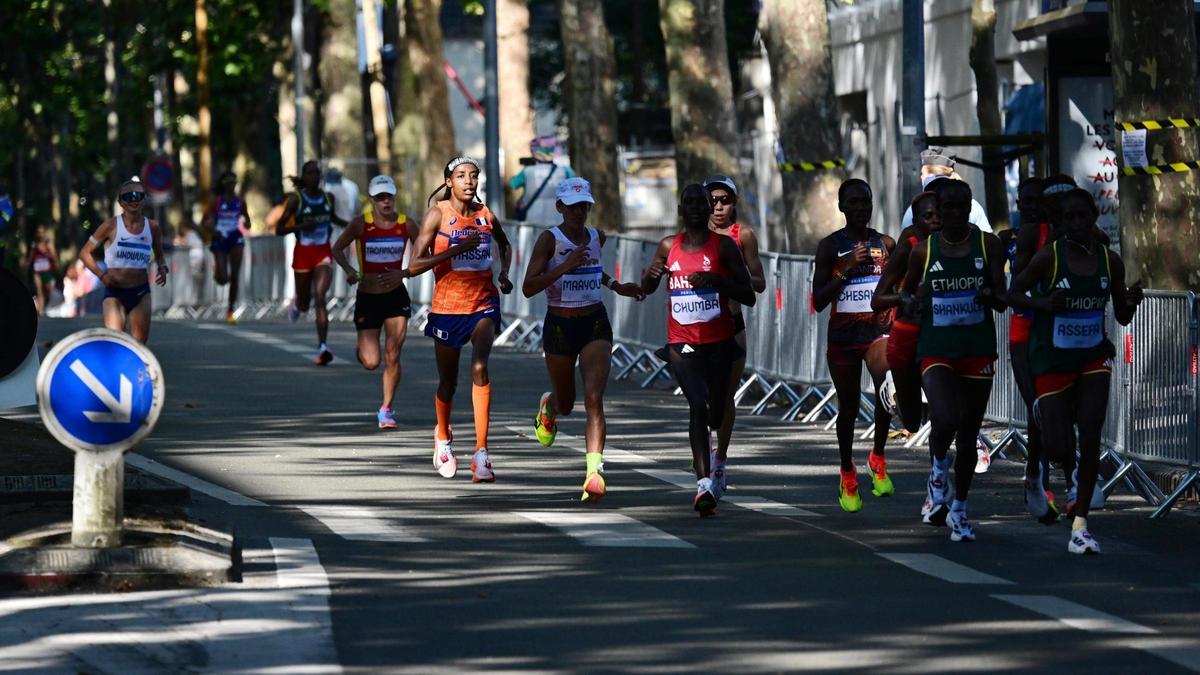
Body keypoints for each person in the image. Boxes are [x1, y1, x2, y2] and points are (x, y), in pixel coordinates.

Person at [1008, 188, 1142, 554]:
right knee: (1056, 446)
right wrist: (1042, 303)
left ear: (1094, 216)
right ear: (1060, 223)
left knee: (1091, 436)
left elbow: (1122, 313)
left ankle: (1080, 524)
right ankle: (1043, 416)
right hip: (1052, 359)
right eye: (1071, 218)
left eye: (1085, 216)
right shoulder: (1047, 258)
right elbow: (1012, 294)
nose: (1079, 223)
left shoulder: (1109, 260)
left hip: (1092, 359)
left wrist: (1130, 301)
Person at [523, 177, 645, 501]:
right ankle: (548, 405)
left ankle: (594, 472)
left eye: (584, 206)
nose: (579, 212)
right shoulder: (550, 240)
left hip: (594, 322)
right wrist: (563, 266)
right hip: (560, 326)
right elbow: (529, 286)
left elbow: (593, 270)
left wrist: (616, 285)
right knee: (566, 404)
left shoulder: (596, 236)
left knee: (593, 397)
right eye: (573, 206)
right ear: (560, 207)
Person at [901, 179, 1007, 541]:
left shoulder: (987, 245)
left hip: (977, 349)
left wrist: (989, 294)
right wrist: (911, 303)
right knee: (945, 417)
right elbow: (904, 293)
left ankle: (959, 509)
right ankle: (936, 473)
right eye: (949, 207)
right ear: (939, 210)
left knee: (969, 435)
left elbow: (1002, 298)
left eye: (963, 206)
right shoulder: (923, 251)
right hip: (937, 349)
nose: (957, 213)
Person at [641, 184, 756, 516]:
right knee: (698, 405)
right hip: (681, 342)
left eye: (700, 203)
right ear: (680, 210)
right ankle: (704, 484)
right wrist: (650, 277)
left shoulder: (723, 247)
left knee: (717, 412)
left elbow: (747, 294)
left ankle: (713, 461)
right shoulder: (668, 247)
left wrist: (715, 281)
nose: (694, 207)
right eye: (688, 202)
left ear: (708, 210)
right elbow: (647, 287)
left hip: (720, 341)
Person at [408, 157, 513, 482]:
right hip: (447, 309)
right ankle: (443, 436)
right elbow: (413, 266)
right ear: (449, 182)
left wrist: (504, 274)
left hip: (483, 304)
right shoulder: (438, 214)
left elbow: (505, 246)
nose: (469, 181)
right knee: (448, 383)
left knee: (480, 366)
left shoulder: (486, 216)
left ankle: (482, 453)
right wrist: (453, 251)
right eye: (461, 176)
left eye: (474, 176)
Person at [813, 178, 897, 513]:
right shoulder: (830, 246)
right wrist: (845, 270)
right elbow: (818, 301)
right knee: (847, 409)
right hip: (844, 338)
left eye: (866, 201)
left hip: (877, 333)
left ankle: (877, 456)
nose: (861, 207)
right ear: (842, 207)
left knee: (887, 390)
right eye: (854, 202)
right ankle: (847, 470)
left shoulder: (885, 243)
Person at [331, 175, 418, 430]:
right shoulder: (360, 224)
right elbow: (337, 248)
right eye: (380, 198)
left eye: (389, 196)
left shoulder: (406, 224)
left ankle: (386, 408)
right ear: (372, 200)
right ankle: (363, 351)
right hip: (367, 298)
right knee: (372, 362)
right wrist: (349, 269)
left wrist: (404, 273)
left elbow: (426, 252)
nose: (386, 202)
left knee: (393, 353)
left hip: (396, 297)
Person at [703, 175, 766, 499]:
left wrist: (736, 272)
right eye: (712, 200)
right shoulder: (692, 238)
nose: (718, 206)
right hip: (696, 328)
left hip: (731, 325)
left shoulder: (744, 236)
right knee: (701, 399)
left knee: (724, 398)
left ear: (734, 203)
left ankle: (719, 462)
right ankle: (704, 463)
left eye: (724, 200)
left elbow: (759, 282)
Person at [872, 189, 942, 434]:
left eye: (939, 214)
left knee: (943, 409)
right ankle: (892, 386)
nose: (935, 220)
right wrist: (905, 298)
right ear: (917, 222)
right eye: (928, 216)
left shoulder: (958, 245)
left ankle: (940, 469)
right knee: (912, 422)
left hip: (939, 336)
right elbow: (877, 299)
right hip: (908, 332)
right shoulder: (908, 247)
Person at [79, 178, 169, 343]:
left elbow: (160, 255)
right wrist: (102, 275)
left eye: (138, 196)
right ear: (120, 202)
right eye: (128, 197)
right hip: (115, 292)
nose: (134, 200)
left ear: (144, 199)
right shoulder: (110, 226)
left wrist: (163, 267)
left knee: (139, 347)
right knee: (116, 343)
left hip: (141, 293)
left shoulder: (153, 227)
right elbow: (84, 253)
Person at [277, 160, 347, 364]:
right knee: (305, 302)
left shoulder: (328, 198)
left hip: (323, 252)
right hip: (303, 253)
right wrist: (299, 227)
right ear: (304, 176)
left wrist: (354, 225)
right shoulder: (295, 200)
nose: (314, 176)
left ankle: (323, 346)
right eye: (310, 173)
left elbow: (333, 218)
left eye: (317, 173)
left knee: (320, 295)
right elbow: (279, 229)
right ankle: (298, 305)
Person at [899, 148, 992, 233]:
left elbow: (986, 241)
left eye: (924, 173)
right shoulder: (915, 209)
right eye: (928, 216)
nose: (936, 220)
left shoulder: (974, 207)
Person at [201, 171, 249, 324]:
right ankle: (219, 274)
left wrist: (247, 223)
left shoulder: (240, 201)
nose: (231, 185)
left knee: (235, 275)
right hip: (220, 237)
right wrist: (212, 231)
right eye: (229, 183)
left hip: (235, 237)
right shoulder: (216, 201)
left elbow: (247, 218)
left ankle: (230, 309)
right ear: (224, 185)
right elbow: (204, 221)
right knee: (223, 279)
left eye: (234, 183)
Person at [510, 136, 575, 223]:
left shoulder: (527, 171)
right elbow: (575, 187)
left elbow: (513, 184)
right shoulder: (565, 170)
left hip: (532, 220)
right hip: (558, 220)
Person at [26, 224, 59, 315]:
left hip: (47, 271)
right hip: (37, 271)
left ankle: (49, 307)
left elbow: (54, 257)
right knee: (39, 291)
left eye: (42, 232)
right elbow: (30, 258)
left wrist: (45, 252)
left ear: (45, 233)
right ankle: (41, 311)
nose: (41, 234)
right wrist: (27, 265)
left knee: (49, 290)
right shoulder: (34, 244)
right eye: (39, 232)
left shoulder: (49, 243)